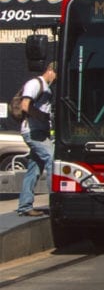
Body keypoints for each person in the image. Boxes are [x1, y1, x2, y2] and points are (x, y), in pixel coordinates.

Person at [16, 62, 56, 218]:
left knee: (34, 169)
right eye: (57, 75)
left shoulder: (47, 87)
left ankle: (25, 206)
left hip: (41, 132)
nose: (56, 79)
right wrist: (42, 116)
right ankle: (56, 202)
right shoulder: (35, 83)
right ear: (50, 70)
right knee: (52, 160)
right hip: (33, 132)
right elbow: (25, 105)